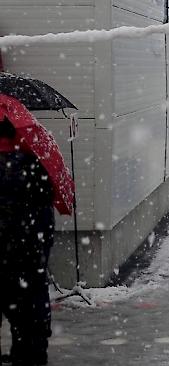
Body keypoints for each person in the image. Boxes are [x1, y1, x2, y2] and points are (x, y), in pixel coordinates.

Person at [0, 117, 55, 365]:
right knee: (30, 312)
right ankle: (31, 354)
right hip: (28, 258)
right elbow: (46, 222)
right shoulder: (37, 166)